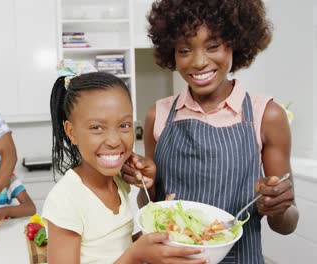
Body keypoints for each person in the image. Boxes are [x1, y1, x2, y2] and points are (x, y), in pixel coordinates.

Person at [122, 0, 299, 263]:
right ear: (171, 53)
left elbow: (286, 224)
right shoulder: (157, 114)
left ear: (235, 43)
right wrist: (145, 185)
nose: (199, 62)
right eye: (184, 50)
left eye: (213, 46)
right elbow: (149, 208)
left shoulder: (267, 115)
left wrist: (278, 206)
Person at [42, 71, 206, 264]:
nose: (114, 140)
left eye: (124, 125)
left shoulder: (119, 183)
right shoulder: (66, 199)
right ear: (71, 132)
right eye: (97, 127)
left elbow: (118, 248)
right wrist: (137, 254)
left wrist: (158, 234)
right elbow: (131, 254)